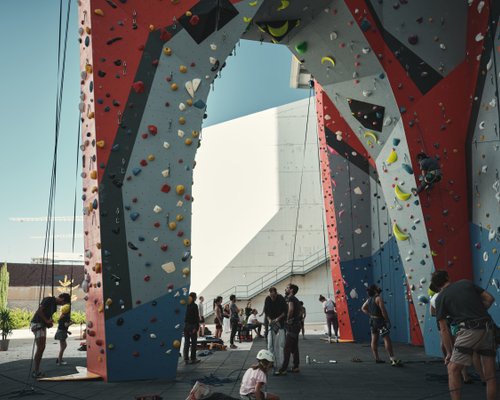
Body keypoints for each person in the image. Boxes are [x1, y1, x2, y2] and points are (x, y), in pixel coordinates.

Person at [431, 270, 497, 400]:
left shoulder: (440, 298)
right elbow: (490, 299)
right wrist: (478, 311)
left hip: (469, 330)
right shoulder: (466, 283)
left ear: (437, 286)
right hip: (488, 328)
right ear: (448, 277)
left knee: (453, 369)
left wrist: (449, 353)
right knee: (490, 376)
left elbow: (444, 329)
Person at [30, 293, 71, 378]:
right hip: (37, 323)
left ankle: (36, 371)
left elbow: (46, 316)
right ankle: (35, 371)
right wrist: (47, 320)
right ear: (62, 298)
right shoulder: (48, 299)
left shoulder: (54, 306)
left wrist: (49, 323)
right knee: (40, 348)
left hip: (42, 325)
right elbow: (39, 311)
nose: (62, 305)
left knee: (42, 348)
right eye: (63, 303)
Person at [361, 285, 401, 366]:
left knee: (374, 340)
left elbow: (363, 308)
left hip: (372, 321)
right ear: (375, 290)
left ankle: (377, 358)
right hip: (379, 321)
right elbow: (383, 311)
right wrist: (387, 321)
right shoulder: (378, 298)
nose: (379, 288)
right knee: (386, 339)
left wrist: (370, 315)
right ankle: (392, 359)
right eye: (377, 287)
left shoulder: (369, 299)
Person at [276, 283, 302, 375]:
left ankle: (283, 369)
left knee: (287, 347)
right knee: (294, 347)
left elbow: (291, 310)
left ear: (291, 290)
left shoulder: (291, 298)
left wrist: (287, 319)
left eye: (287, 288)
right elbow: (299, 312)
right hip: (296, 326)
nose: (285, 289)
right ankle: (295, 366)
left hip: (292, 326)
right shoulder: (295, 299)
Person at [264, 287, 287, 373]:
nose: (271, 297)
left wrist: (278, 319)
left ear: (276, 293)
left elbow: (285, 311)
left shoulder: (281, 298)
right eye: (270, 295)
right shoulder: (267, 299)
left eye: (273, 295)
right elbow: (266, 311)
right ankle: (271, 362)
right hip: (271, 323)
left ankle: (281, 363)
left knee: (281, 344)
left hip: (280, 323)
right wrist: (269, 319)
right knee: (270, 344)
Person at [183, 292, 201, 364]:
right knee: (193, 342)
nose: (196, 298)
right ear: (193, 298)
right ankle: (193, 358)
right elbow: (196, 317)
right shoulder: (194, 306)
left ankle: (186, 359)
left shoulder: (185, 305)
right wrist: (196, 327)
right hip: (192, 326)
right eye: (195, 297)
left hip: (185, 326)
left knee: (186, 342)